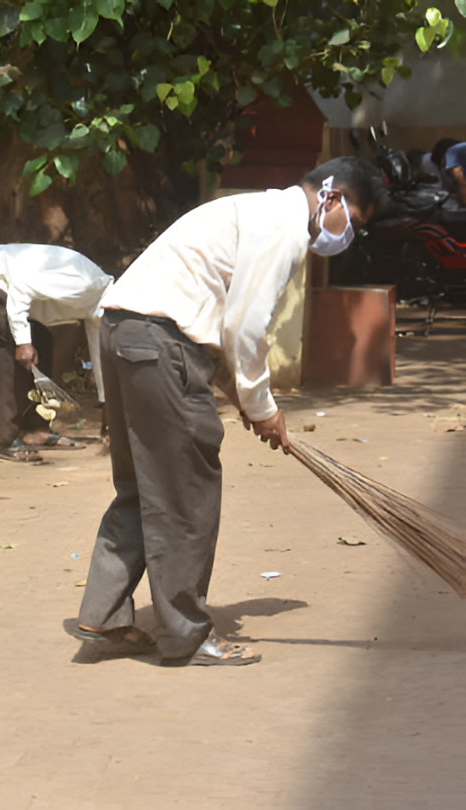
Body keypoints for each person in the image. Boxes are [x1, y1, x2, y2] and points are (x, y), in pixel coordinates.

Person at [66, 156, 385, 666]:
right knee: (186, 493)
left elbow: (215, 325)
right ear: (330, 196)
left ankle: (103, 615)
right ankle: (186, 635)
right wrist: (263, 405)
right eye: (355, 220)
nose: (347, 234)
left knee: (144, 486)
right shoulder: (283, 228)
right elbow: (244, 328)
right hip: (160, 343)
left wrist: (243, 400)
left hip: (125, 334)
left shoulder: (250, 212)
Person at [0, 244, 113, 456]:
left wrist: (106, 402)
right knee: (5, 347)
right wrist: (23, 342)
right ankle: (6, 438)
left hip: (12, 289)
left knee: (41, 339)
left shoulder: (102, 306)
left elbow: (99, 353)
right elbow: (21, 287)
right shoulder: (86, 285)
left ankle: (34, 428)